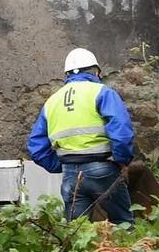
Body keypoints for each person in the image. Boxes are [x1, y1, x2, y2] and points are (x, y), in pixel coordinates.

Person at [28, 46, 137, 227]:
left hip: (71, 174)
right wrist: (122, 159)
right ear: (96, 71)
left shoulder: (52, 101)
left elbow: (36, 146)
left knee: (77, 232)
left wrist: (59, 166)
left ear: (67, 74)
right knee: (122, 224)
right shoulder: (102, 92)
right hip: (103, 169)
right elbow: (121, 130)